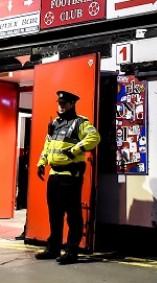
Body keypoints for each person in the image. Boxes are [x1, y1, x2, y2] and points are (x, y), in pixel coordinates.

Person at [35, 90, 100, 265]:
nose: (61, 105)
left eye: (64, 103)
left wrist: (75, 150)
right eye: (59, 102)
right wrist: (41, 162)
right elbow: (47, 144)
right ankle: (53, 248)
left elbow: (95, 137)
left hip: (71, 176)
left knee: (72, 215)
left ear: (72, 104)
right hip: (54, 175)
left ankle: (71, 251)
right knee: (54, 215)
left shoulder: (81, 123)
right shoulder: (55, 123)